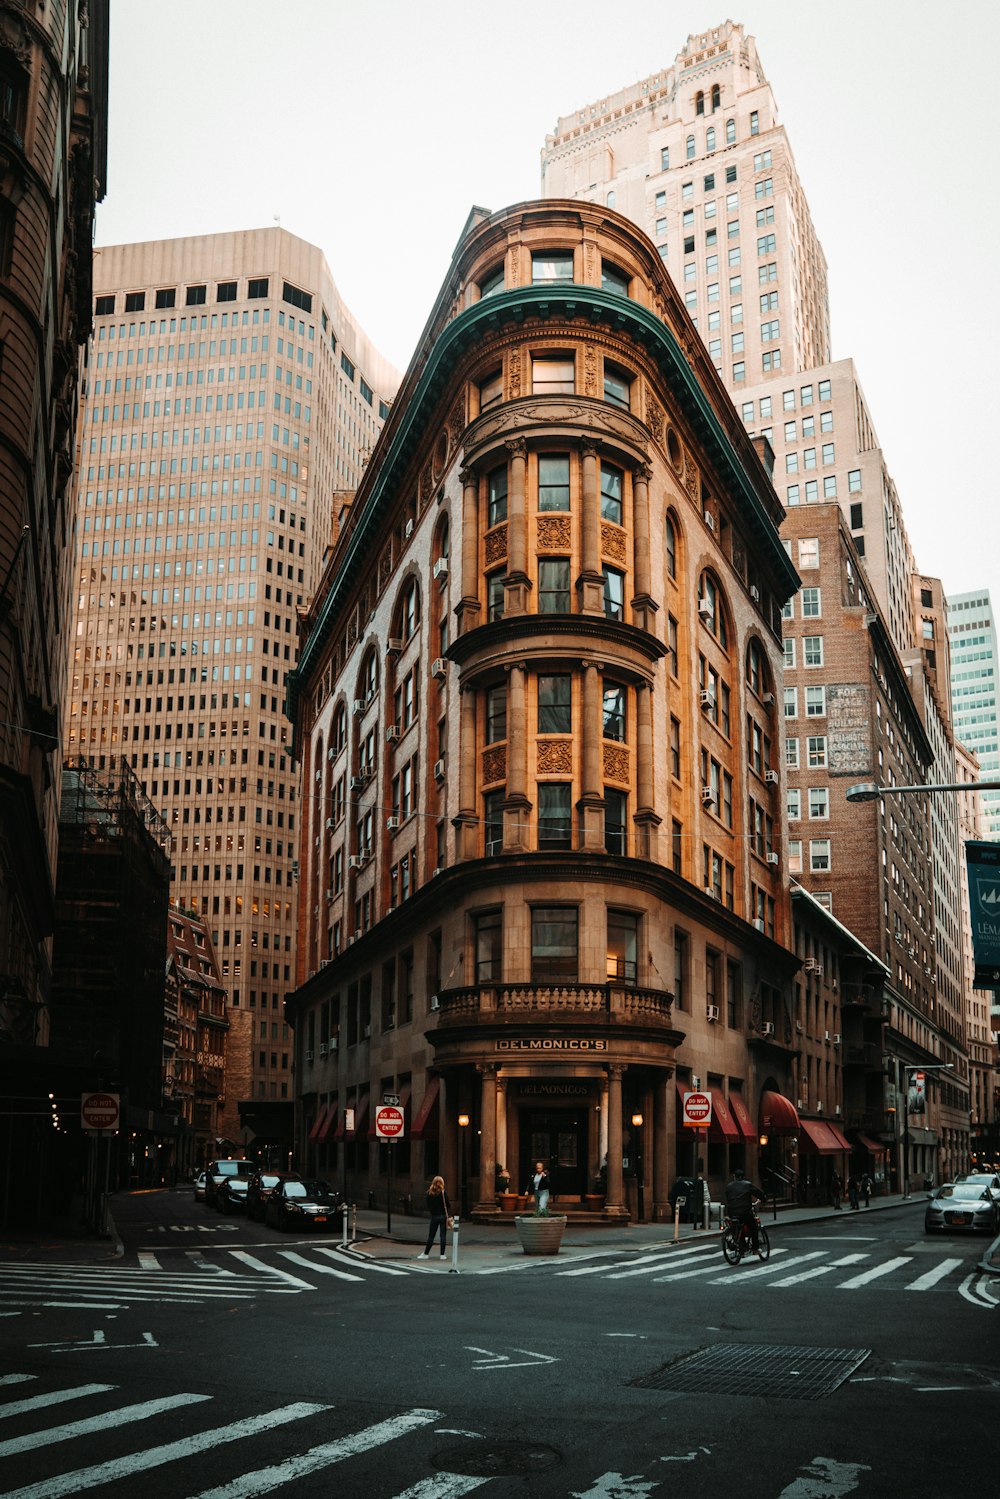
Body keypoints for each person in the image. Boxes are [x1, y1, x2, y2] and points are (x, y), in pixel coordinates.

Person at [724, 1167, 765, 1252]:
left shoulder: (729, 1186)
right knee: (753, 1227)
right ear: (743, 1177)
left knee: (738, 1227)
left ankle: (742, 1245)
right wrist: (763, 1199)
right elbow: (758, 1193)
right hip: (745, 1212)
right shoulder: (747, 1184)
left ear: (734, 1176)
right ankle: (755, 1248)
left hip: (732, 1212)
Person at [418, 1175, 452, 1260]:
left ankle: (426, 1254)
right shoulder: (443, 1193)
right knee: (443, 1236)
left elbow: (428, 1205)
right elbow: (448, 1205)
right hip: (443, 1216)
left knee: (431, 1236)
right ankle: (442, 1255)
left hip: (434, 1216)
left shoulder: (429, 1193)